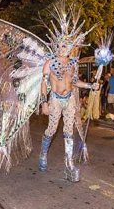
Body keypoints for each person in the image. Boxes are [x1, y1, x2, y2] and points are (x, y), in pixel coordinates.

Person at [39, 40, 99, 183]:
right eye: (58, 46)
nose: (60, 49)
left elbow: (75, 82)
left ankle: (69, 162)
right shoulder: (49, 63)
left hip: (70, 98)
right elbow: (43, 83)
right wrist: (44, 103)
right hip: (55, 99)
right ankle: (43, 154)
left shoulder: (73, 64)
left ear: (69, 48)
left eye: (63, 46)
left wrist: (90, 85)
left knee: (68, 131)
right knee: (51, 129)